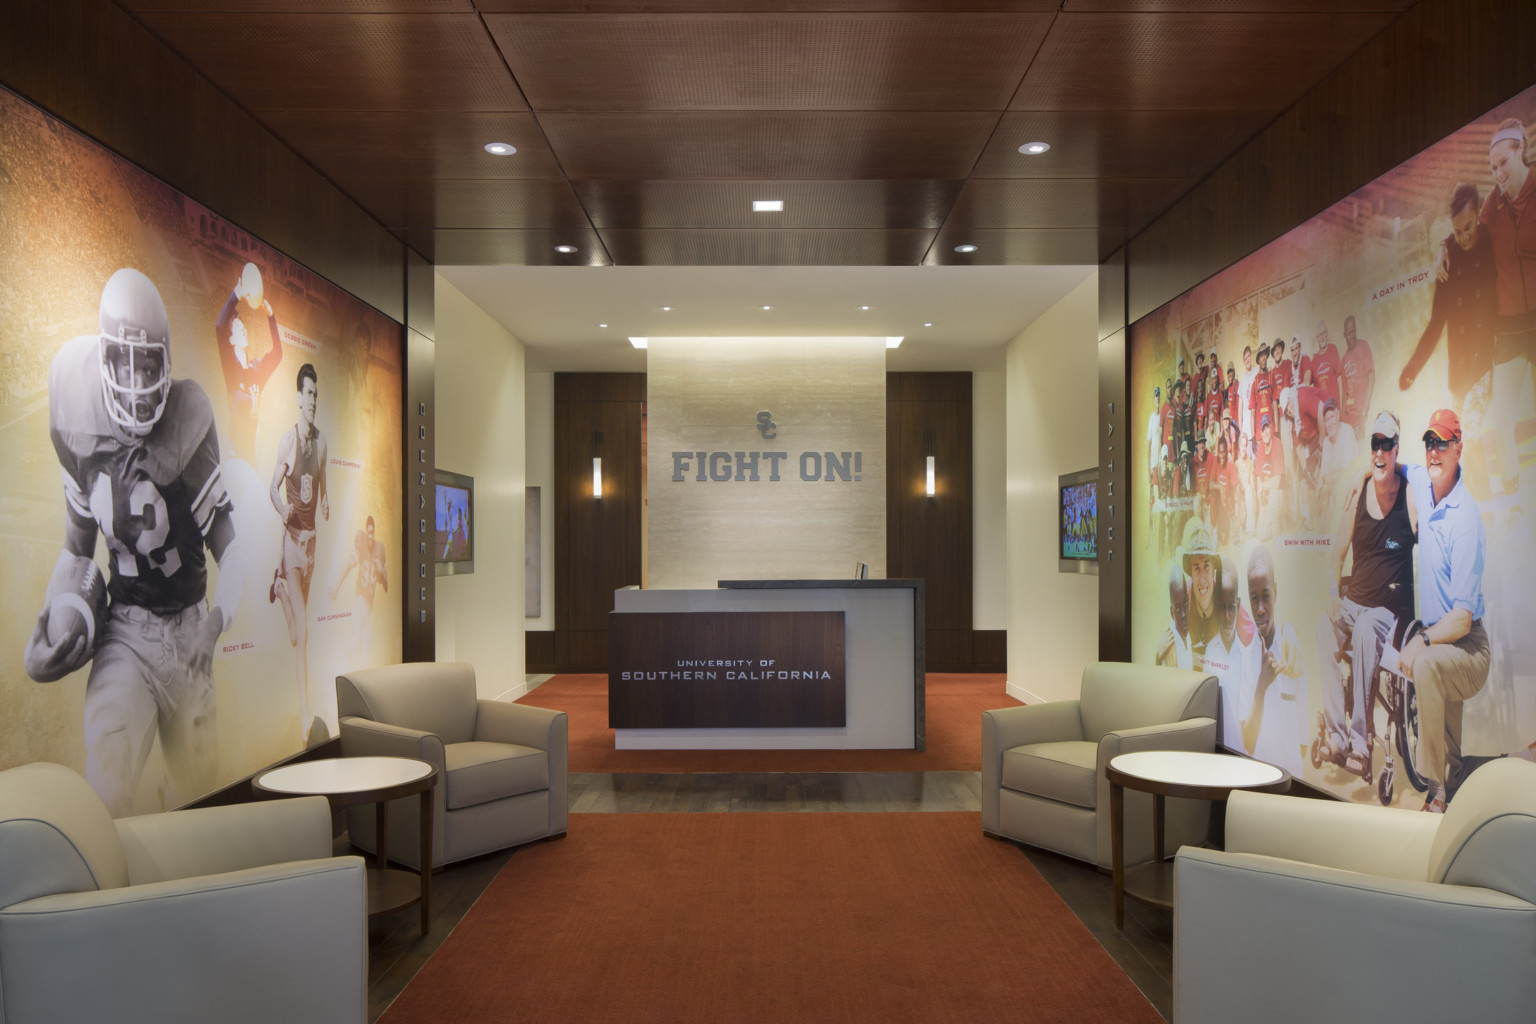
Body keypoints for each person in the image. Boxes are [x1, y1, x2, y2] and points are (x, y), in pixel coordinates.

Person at [22, 268, 244, 815]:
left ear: (166, 365)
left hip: (190, 626)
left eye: (147, 365)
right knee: (108, 781)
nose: (135, 383)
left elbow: (233, 550)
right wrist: (58, 612)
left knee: (200, 792)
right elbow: (77, 549)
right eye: (122, 362)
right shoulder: (76, 417)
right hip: (125, 629)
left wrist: (215, 625)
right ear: (101, 360)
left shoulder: (187, 421)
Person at [1315, 411, 1417, 783]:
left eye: (1386, 444)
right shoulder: (1357, 496)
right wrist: (1330, 590)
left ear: (1396, 448)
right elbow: (1336, 557)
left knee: (1364, 631)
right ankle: (1337, 737)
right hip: (1353, 603)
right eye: (1374, 443)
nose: (1379, 451)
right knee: (1322, 632)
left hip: (1388, 613)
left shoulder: (1409, 496)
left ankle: (1362, 742)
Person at [1397, 409, 1491, 812]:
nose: (1434, 451)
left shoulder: (1465, 518)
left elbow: (1463, 619)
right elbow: (1394, 466)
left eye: (1443, 443)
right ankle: (1481, 774)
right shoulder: (1424, 479)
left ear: (1458, 449)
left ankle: (1434, 793)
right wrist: (1365, 477)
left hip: (1468, 647)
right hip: (1443, 638)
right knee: (1454, 762)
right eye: (1429, 442)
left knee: (1427, 664)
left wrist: (1421, 641)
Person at [269, 362, 328, 743]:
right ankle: (305, 715)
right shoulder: (287, 441)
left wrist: (327, 503)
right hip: (291, 542)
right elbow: (272, 488)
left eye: (316, 396)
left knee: (296, 634)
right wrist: (282, 508)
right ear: (297, 397)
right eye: (308, 394)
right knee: (304, 635)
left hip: (311, 543)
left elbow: (323, 481)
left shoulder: (321, 442)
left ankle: (280, 590)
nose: (313, 402)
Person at [1402, 182, 1497, 411]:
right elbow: (1436, 321)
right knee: (1463, 441)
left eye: (1468, 226)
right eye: (1457, 231)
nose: (1464, 237)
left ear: (1478, 215)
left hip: (1489, 361)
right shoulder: (1447, 259)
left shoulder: (1492, 239)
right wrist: (1413, 367)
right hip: (1460, 372)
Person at [1238, 545, 1308, 777]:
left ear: (1275, 593)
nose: (1259, 609)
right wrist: (1262, 685)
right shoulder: (1246, 660)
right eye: (1253, 598)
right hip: (1257, 783)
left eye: (1266, 596)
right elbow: (1247, 741)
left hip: (1292, 782)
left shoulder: (1293, 649)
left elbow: (1303, 743)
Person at [214, 262, 283, 463]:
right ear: (230, 340)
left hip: (251, 458)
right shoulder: (231, 369)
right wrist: (237, 294)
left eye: (242, 324)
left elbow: (277, 354)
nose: (243, 328)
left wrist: (271, 316)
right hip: (233, 457)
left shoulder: (256, 369)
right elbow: (219, 326)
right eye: (237, 327)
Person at [1204, 565, 1256, 752]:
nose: (1227, 616)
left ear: (1238, 603)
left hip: (1240, 752)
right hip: (1213, 748)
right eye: (1222, 607)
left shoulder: (1247, 656)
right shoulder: (1210, 651)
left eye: (1232, 607)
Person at [329, 514, 387, 664]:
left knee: (367, 653)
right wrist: (336, 587)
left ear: (375, 533)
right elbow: (348, 566)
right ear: (365, 532)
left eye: (372, 533)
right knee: (355, 639)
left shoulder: (380, 550)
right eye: (368, 532)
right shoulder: (361, 544)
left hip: (369, 609)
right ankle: (341, 664)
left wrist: (381, 571)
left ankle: (346, 666)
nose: (369, 536)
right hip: (360, 603)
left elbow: (385, 586)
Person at [1317, 398, 1357, 513]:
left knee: (1337, 489)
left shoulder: (1347, 431)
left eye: (1332, 417)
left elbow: (1347, 472)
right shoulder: (1326, 441)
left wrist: (1325, 481)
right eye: (1326, 420)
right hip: (1331, 486)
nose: (1329, 424)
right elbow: (1323, 474)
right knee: (1322, 495)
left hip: (1347, 486)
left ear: (1338, 415)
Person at [1339, 315, 1375, 438]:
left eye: (1353, 331)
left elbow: (1371, 378)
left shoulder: (1364, 346)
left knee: (1362, 454)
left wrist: (1364, 413)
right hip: (1349, 423)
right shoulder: (1343, 360)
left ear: (1356, 330)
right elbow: (1344, 394)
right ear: (1344, 335)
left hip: (1362, 418)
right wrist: (1343, 422)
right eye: (1348, 333)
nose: (1351, 336)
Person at [1254, 412, 1285, 538]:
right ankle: (1270, 522)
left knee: (1274, 494)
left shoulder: (1277, 443)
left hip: (1278, 493)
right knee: (1262, 536)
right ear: (1260, 433)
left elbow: (1277, 481)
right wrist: (1260, 494)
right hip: (1266, 492)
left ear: (1271, 428)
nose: (1266, 432)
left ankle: (1277, 528)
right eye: (1263, 429)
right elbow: (1258, 475)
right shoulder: (1260, 446)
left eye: (1267, 428)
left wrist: (1263, 486)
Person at [1157, 560, 1192, 669]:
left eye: (1185, 603)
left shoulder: (1187, 633)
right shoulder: (1169, 648)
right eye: (1177, 609)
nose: (1183, 614)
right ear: (1171, 613)